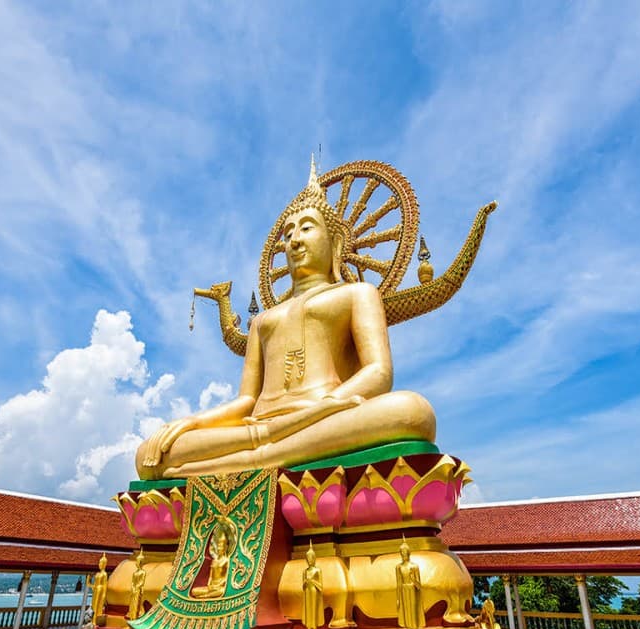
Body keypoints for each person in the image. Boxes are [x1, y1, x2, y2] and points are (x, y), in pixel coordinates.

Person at [135, 159, 435, 479]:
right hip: (258, 427)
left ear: (335, 243)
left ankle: (244, 462)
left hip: (323, 417)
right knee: (150, 455)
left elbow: (379, 372)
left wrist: (328, 403)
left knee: (411, 411)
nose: (294, 241)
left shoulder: (357, 293)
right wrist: (194, 422)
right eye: (288, 233)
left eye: (307, 228)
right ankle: (263, 455)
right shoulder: (264, 319)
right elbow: (247, 399)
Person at [191, 519, 233, 599]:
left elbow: (226, 577)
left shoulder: (226, 560)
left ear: (226, 546)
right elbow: (210, 577)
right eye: (219, 545)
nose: (220, 547)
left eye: (222, 545)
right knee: (194, 590)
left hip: (220, 587)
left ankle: (206, 596)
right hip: (211, 587)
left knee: (222, 591)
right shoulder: (214, 560)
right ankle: (207, 595)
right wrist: (210, 586)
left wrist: (219, 585)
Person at [395, 539, 425, 629]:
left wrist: (413, 579)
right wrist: (398, 598)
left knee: (413, 613)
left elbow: (419, 586)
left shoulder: (414, 566)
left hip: (412, 589)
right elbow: (398, 583)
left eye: (405, 552)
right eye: (401, 552)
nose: (403, 554)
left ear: (408, 552)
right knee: (406, 614)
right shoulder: (398, 567)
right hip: (404, 590)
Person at [301, 543, 323, 629]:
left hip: (314, 592)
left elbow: (321, 586)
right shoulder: (305, 571)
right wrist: (305, 582)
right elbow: (302, 586)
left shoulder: (318, 570)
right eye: (308, 558)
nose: (310, 560)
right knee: (308, 612)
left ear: (314, 558)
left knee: (314, 612)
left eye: (311, 558)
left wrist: (313, 581)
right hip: (307, 592)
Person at [126, 551, 146, 620]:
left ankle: (134, 618)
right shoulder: (134, 573)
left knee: (136, 605)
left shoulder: (143, 572)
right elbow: (132, 582)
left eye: (137, 561)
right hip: (133, 590)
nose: (136, 562)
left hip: (138, 590)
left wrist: (137, 587)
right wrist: (132, 587)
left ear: (140, 562)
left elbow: (141, 582)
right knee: (131, 606)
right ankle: (131, 618)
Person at [91, 553, 108, 625]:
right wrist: (89, 583)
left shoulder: (104, 574)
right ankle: (92, 620)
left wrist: (104, 596)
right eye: (99, 563)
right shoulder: (98, 574)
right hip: (96, 590)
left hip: (100, 591)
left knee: (98, 606)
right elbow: (94, 585)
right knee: (94, 606)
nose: (99, 564)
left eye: (101, 563)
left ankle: (95, 620)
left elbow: (105, 585)